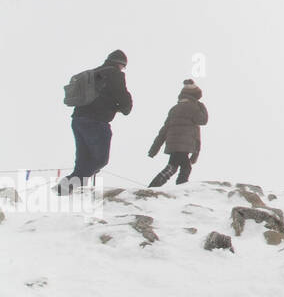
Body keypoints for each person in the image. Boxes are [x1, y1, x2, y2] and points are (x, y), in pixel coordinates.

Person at [57, 49, 133, 195]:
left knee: (83, 161)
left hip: (78, 120)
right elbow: (125, 102)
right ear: (120, 65)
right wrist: (124, 106)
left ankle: (64, 191)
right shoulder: (115, 74)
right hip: (96, 122)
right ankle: (64, 188)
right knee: (100, 160)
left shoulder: (94, 72)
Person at [147, 79, 208, 186]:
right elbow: (203, 120)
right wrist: (202, 107)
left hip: (174, 143)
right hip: (183, 143)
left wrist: (154, 149)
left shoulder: (175, 108)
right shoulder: (193, 107)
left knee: (173, 167)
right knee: (184, 167)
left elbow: (164, 130)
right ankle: (178, 188)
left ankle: (154, 187)